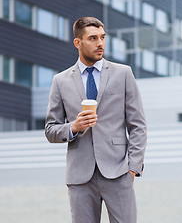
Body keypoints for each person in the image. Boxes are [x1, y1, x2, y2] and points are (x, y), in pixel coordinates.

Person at [45, 16, 147, 223]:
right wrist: (73, 126)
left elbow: (138, 125)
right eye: (92, 38)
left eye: (102, 37)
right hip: (80, 176)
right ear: (78, 43)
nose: (100, 43)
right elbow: (50, 129)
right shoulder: (60, 81)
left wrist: (133, 167)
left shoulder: (123, 74)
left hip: (119, 172)